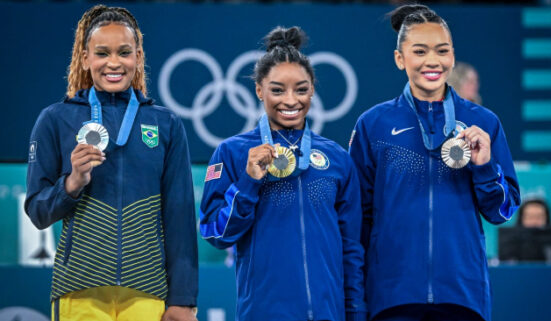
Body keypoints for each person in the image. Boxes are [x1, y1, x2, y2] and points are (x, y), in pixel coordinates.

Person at [25, 5, 198, 321]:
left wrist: (183, 300)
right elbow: (37, 211)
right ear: (85, 58)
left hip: (147, 291)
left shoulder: (166, 124)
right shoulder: (55, 119)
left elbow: (180, 217)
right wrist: (72, 182)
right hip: (79, 288)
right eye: (102, 53)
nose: (114, 63)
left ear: (138, 57)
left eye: (124, 52)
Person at [349, 4, 520, 321]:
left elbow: (501, 211)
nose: (432, 61)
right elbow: (358, 219)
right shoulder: (373, 125)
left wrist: (484, 168)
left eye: (441, 51)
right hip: (391, 297)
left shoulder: (483, 122)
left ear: (452, 56)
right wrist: (356, 301)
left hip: (462, 296)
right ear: (400, 59)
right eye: (419, 51)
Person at [199, 26, 366, 321]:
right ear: (259, 90)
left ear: (312, 89)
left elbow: (351, 248)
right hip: (263, 313)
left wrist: (355, 312)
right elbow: (215, 232)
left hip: (328, 314)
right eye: (277, 90)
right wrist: (249, 181)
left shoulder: (337, 158)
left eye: (301, 89)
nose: (290, 101)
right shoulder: (233, 153)